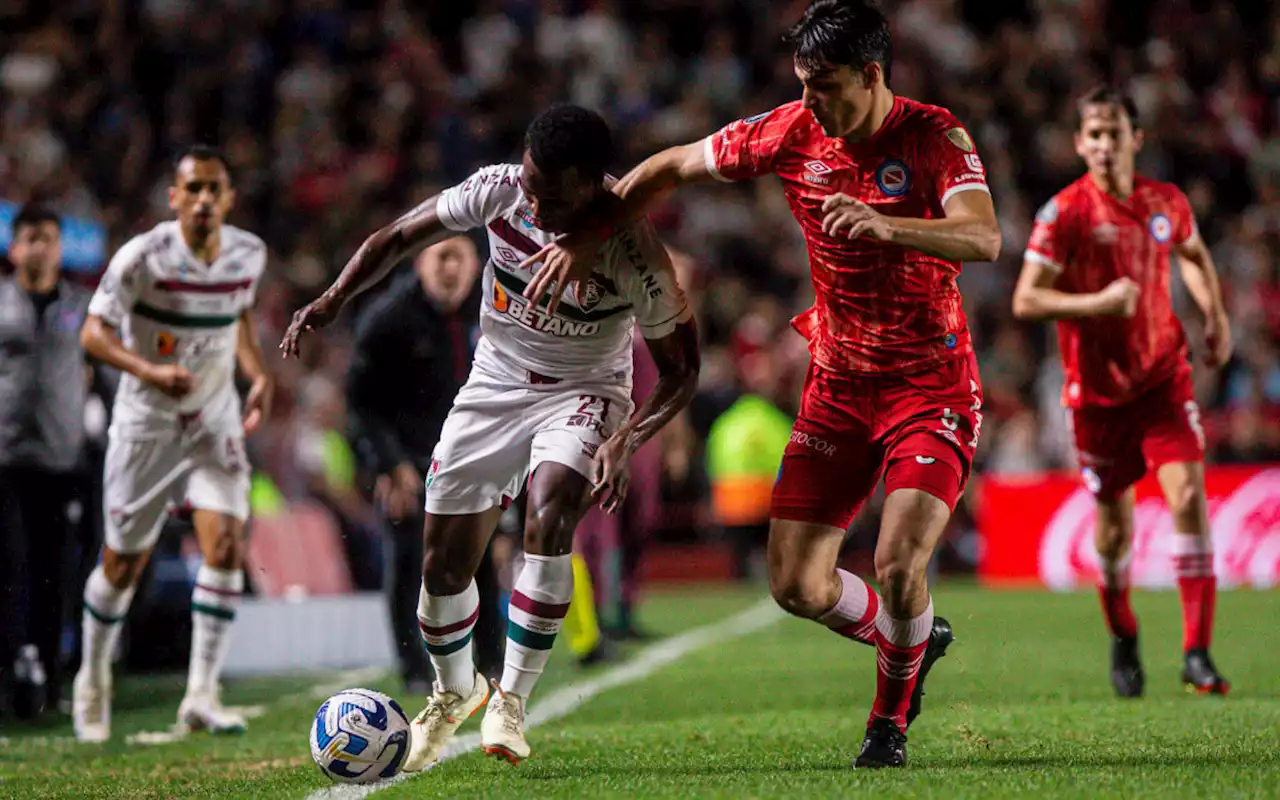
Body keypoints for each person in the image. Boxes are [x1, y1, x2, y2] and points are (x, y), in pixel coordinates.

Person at [523, 0, 1002, 768]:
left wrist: (890, 225)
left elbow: (984, 235)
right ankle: (910, 640)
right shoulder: (790, 132)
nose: (811, 102)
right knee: (795, 585)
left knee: (899, 560)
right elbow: (670, 166)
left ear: (872, 76)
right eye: (803, 84)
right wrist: (588, 239)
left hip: (929, 386)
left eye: (825, 86)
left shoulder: (934, 135)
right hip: (838, 387)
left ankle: (888, 723)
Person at [281, 104, 700, 768]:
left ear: (591, 184)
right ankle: (455, 692)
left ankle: (511, 699)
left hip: (584, 392)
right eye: (529, 184)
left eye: (549, 193)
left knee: (551, 507)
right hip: (493, 386)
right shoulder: (499, 190)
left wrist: (629, 438)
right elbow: (397, 236)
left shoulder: (635, 253)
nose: (531, 202)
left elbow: (683, 371)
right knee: (442, 565)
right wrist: (333, 298)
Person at [1013, 87, 1232, 697]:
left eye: (1115, 133)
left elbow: (1191, 251)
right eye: (1095, 134)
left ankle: (1196, 652)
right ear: (1081, 143)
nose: (1105, 145)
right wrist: (1098, 303)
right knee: (1113, 530)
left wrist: (1214, 314)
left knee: (1188, 495)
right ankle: (1123, 631)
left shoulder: (1166, 201)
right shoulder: (1065, 214)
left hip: (1163, 376)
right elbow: (1026, 298)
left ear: (1135, 138)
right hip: (1098, 395)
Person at [72, 145, 275, 741]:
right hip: (148, 422)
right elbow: (93, 332)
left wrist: (257, 373)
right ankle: (92, 677)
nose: (205, 200)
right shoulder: (143, 257)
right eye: (194, 189)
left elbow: (238, 315)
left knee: (228, 544)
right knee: (123, 561)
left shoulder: (249, 254)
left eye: (215, 189)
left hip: (213, 418)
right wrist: (148, 370)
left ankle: (202, 693)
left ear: (229, 199)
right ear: (175, 198)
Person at [345, 236, 507, 694]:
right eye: (442, 256)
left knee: (482, 557)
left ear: (477, 262)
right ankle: (413, 667)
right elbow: (360, 403)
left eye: (460, 256)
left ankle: (490, 659)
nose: (451, 267)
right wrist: (388, 464)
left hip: (472, 456)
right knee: (409, 558)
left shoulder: (493, 307)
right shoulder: (388, 319)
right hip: (409, 461)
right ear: (420, 262)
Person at [0, 204, 93, 719]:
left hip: (63, 463)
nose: (39, 247)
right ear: (13, 248)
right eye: (31, 237)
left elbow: (106, 368)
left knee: (55, 572)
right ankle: (15, 669)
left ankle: (51, 680)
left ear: (60, 248)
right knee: (10, 567)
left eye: (49, 238)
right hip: (6, 461)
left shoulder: (80, 308)